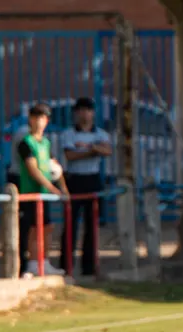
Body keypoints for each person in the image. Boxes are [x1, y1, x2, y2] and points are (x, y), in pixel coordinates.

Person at [60, 97, 112, 276]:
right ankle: (65, 266)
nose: (84, 114)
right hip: (74, 180)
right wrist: (93, 151)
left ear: (93, 113)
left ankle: (89, 267)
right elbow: (70, 156)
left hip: (93, 180)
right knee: (70, 224)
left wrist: (87, 148)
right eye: (81, 110)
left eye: (88, 110)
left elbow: (107, 151)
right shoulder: (68, 133)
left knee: (92, 225)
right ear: (76, 113)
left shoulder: (101, 134)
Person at [18, 103, 67, 277]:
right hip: (31, 192)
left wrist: (63, 188)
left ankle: (44, 261)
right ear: (30, 119)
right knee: (32, 228)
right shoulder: (26, 143)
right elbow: (33, 169)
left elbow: (54, 166)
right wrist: (52, 188)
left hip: (44, 195)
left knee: (46, 227)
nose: (39, 121)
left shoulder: (45, 143)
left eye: (43, 118)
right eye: (36, 117)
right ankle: (31, 264)